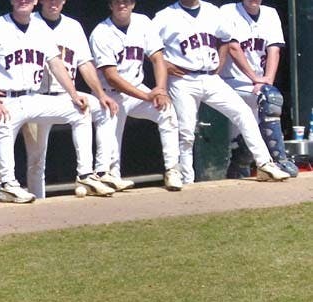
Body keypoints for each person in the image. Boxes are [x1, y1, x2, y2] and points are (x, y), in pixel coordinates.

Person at [0, 0, 115, 202]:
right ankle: (4, 197)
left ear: (35, 1)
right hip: (7, 101)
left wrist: (73, 93)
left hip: (34, 96)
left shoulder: (40, 27)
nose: (23, 1)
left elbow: (55, 63)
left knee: (80, 110)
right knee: (0, 164)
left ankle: (85, 175)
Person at [152, 0, 289, 184]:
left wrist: (221, 61)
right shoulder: (164, 16)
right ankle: (185, 178)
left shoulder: (212, 11)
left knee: (243, 113)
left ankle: (265, 164)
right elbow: (148, 46)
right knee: (186, 131)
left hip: (210, 77)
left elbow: (226, 39)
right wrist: (164, 64)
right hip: (182, 78)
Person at [27, 0, 128, 199]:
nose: (53, 2)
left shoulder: (73, 27)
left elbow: (85, 63)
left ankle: (99, 173)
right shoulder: (29, 22)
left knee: (105, 109)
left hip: (66, 96)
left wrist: (101, 94)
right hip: (36, 97)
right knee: (36, 160)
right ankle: (38, 203)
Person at [90, 0, 183, 191]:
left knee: (167, 112)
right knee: (110, 147)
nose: (122, 5)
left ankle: (172, 169)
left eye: (126, 1)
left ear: (133, 4)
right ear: (110, 5)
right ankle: (109, 178)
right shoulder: (101, 32)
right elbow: (112, 77)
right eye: (117, 2)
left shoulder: (143, 22)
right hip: (110, 94)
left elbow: (158, 59)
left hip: (137, 89)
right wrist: (147, 95)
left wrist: (160, 90)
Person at [220, 0, 297, 178]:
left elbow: (274, 49)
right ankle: (278, 159)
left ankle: (265, 162)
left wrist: (267, 80)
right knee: (267, 102)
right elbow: (233, 48)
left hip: (258, 84)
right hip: (231, 81)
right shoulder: (228, 11)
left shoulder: (270, 13)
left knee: (269, 99)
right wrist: (255, 78)